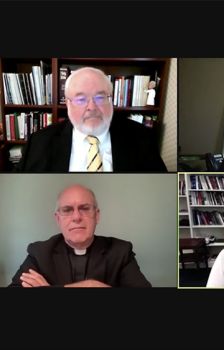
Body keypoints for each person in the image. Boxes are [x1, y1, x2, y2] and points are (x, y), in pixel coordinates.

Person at [18, 67, 167, 172]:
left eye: (100, 97)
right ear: (68, 104)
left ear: (111, 101)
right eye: (81, 99)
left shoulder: (142, 138)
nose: (92, 107)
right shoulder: (38, 143)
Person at [8, 184, 151, 287]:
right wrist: (88, 285)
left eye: (84, 208)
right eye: (67, 210)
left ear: (97, 216)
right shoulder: (40, 253)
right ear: (58, 219)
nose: (76, 217)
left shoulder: (121, 251)